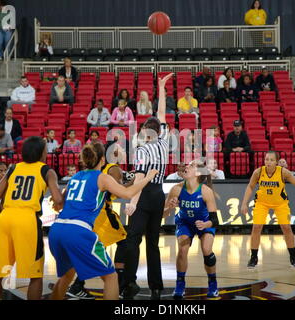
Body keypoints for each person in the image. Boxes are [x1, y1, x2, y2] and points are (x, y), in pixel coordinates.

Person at [48, 142, 158, 300]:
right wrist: (148, 177)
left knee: (66, 276)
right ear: (102, 159)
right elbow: (127, 194)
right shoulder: (102, 177)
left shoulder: (75, 177)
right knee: (110, 277)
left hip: (57, 230)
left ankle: (76, 286)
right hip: (78, 231)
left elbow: (58, 205)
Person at [118, 73, 173, 300]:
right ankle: (156, 286)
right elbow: (161, 113)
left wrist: (132, 202)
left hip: (144, 194)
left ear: (144, 132)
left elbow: (140, 177)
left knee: (132, 239)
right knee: (153, 242)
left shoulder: (142, 150)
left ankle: (129, 283)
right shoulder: (164, 142)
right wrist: (161, 88)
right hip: (159, 194)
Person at [0, 136, 63, 300]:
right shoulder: (46, 170)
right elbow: (58, 200)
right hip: (27, 219)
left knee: (0, 273)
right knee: (35, 275)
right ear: (42, 152)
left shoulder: (13, 168)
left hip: (5, 218)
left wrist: (3, 216)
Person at [66, 142, 134, 299]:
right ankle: (120, 284)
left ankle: (77, 285)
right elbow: (118, 191)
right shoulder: (113, 168)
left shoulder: (90, 170)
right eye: (119, 149)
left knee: (90, 249)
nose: (122, 151)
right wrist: (136, 180)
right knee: (124, 242)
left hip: (88, 214)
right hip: (103, 214)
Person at [240, 151, 295, 268]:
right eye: (267, 159)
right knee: (256, 227)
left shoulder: (283, 172)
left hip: (280, 203)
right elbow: (250, 186)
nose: (268, 162)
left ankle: (293, 257)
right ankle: (253, 257)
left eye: (271, 160)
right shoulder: (258, 172)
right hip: (262, 203)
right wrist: (244, 203)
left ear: (277, 162)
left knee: (286, 228)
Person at [163, 160, 219, 299]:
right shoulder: (176, 189)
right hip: (185, 223)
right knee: (182, 249)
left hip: (204, 223)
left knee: (207, 250)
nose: (187, 166)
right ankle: (180, 284)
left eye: (191, 165)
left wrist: (206, 225)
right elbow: (163, 214)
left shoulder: (206, 191)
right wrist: (170, 207)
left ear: (198, 173)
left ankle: (212, 283)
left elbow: (215, 220)